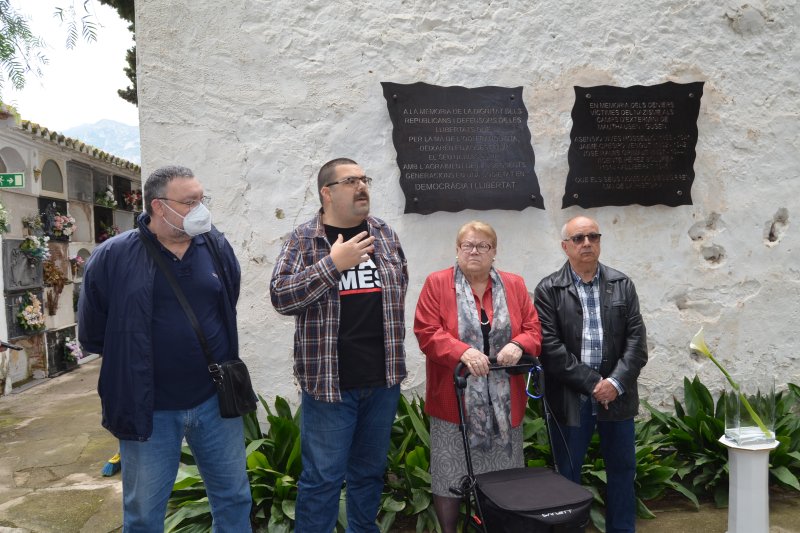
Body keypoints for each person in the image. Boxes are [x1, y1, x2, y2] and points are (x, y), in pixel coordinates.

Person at [79, 165, 252, 531]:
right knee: (143, 514)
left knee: (234, 498)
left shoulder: (216, 246)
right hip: (149, 407)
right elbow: (94, 334)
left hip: (214, 402)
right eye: (190, 202)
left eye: (202, 199)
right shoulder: (112, 257)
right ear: (159, 206)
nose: (201, 209)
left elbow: (227, 302)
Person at [270, 158, 408, 532]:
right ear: (327, 193)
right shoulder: (304, 239)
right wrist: (333, 264)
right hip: (330, 386)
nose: (362, 186)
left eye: (365, 179)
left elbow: (400, 286)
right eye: (351, 181)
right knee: (323, 479)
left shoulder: (385, 234)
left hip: (382, 382)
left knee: (369, 474)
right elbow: (281, 296)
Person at [414, 220, 542, 533]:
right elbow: (427, 332)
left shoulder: (513, 284)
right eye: (468, 245)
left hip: (504, 405)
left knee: (504, 479)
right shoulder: (437, 283)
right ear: (457, 250)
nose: (475, 251)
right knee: (450, 476)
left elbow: (533, 329)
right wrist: (462, 352)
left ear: (494, 252)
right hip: (454, 401)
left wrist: (518, 343)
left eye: (483, 246)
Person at [534, 215, 647, 533]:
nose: (587, 243)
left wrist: (614, 383)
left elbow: (637, 344)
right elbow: (550, 349)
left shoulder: (621, 284)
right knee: (567, 475)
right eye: (579, 238)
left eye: (593, 237)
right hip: (571, 398)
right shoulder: (549, 289)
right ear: (564, 246)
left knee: (623, 471)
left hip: (617, 396)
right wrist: (593, 384)